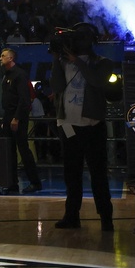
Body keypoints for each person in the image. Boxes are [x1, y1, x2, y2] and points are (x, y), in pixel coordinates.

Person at [49, 26, 115, 231]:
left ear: (90, 40)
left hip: (92, 126)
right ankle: (71, 216)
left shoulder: (103, 63)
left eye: (80, 38)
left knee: (98, 175)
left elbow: (97, 81)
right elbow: (57, 87)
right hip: (68, 126)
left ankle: (106, 218)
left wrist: (76, 61)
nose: (76, 41)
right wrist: (56, 59)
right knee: (72, 175)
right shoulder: (63, 63)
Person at [0, 48, 42, 194]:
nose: (0, 58)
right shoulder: (6, 75)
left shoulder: (20, 75)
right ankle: (12, 184)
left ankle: (35, 182)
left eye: (3, 56)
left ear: (11, 58)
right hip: (8, 115)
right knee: (9, 150)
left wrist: (16, 118)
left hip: (18, 117)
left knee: (23, 149)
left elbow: (24, 100)